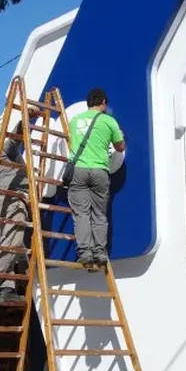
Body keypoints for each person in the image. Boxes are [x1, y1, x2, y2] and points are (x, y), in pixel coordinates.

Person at [0, 111, 41, 305]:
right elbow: (15, 139)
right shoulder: (7, 153)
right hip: (11, 201)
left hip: (1, 203)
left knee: (10, 242)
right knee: (14, 241)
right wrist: (25, 120)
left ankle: (7, 287)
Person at [66, 88, 126, 269]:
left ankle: (84, 253)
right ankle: (100, 252)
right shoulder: (109, 121)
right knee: (99, 214)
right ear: (104, 103)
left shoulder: (75, 121)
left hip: (78, 170)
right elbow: (120, 147)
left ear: (88, 103)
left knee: (81, 214)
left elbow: (70, 143)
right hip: (100, 170)